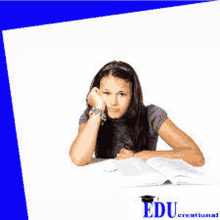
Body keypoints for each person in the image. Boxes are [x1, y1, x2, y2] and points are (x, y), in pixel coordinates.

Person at [69, 61, 205, 167]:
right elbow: (78, 159)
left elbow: (196, 157)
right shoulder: (93, 116)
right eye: (106, 93)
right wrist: (98, 109)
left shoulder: (151, 114)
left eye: (121, 94)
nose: (113, 102)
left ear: (132, 95)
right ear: (97, 93)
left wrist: (141, 156)